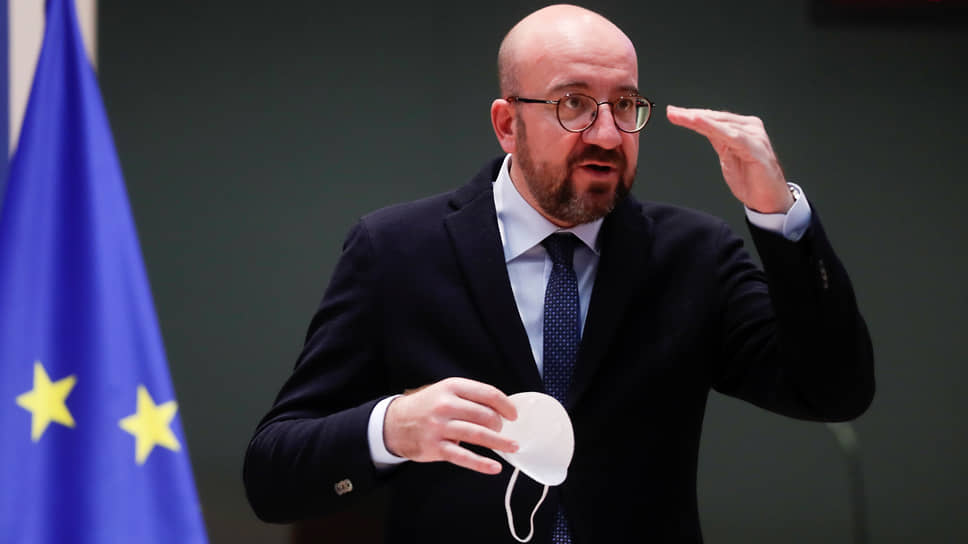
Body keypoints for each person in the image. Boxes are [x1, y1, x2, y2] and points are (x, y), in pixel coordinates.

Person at [243, 4, 874, 543]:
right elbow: (273, 475)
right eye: (574, 104)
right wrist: (392, 429)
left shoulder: (693, 256)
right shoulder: (397, 250)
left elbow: (834, 391)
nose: (607, 133)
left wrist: (777, 214)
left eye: (624, 105)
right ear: (507, 124)